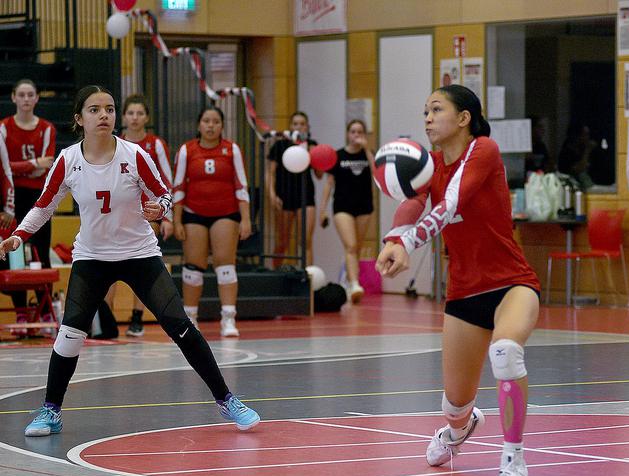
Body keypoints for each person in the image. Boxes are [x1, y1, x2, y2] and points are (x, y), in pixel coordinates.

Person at [0, 85, 259, 436]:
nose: (104, 115)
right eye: (94, 110)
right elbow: (44, 206)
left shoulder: (134, 155)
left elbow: (164, 194)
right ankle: (51, 410)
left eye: (109, 108)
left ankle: (227, 400)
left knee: (181, 326)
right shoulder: (68, 161)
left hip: (139, 254)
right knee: (70, 334)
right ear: (79, 119)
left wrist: (160, 208)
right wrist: (19, 235)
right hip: (92, 257)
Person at [376, 85, 540, 476]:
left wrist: (409, 245)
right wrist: (394, 237)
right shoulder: (428, 165)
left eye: (437, 109)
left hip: (511, 283)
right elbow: (413, 203)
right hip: (465, 292)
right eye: (424, 111)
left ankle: (514, 466)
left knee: (505, 354)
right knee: (455, 403)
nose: (427, 118)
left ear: (464, 117)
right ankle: (460, 428)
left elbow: (448, 205)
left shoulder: (484, 150)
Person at [173, 107, 252, 337]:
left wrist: (245, 219)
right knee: (193, 267)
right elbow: (179, 186)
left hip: (225, 213)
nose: (210, 125)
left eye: (215, 121)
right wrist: (176, 220)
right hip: (193, 213)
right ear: (199, 125)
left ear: (222, 125)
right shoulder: (187, 150)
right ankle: (190, 319)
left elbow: (241, 185)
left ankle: (228, 318)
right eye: (206, 121)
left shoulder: (231, 149)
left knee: (225, 264)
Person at [108, 93, 174, 338]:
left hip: (149, 213)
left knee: (141, 263)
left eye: (139, 113)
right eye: (130, 113)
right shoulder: (115, 143)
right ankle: (107, 318)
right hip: (118, 213)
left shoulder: (155, 144)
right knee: (109, 263)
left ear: (146, 117)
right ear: (123, 116)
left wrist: (168, 216)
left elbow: (167, 181)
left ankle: (137, 316)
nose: (135, 118)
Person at [1, 79, 57, 332]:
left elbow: (45, 168)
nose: (25, 99)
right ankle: (22, 314)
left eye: (30, 94)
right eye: (21, 94)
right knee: (15, 255)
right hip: (12, 198)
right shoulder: (3, 128)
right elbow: (4, 168)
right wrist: (33, 164)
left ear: (36, 99)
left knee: (41, 252)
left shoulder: (46, 128)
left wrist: (24, 167)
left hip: (39, 199)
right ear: (13, 97)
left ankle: (45, 314)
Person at [318, 119, 375, 304]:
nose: (356, 135)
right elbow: (329, 183)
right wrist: (323, 210)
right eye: (353, 131)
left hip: (364, 206)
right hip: (342, 206)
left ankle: (350, 280)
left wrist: (367, 149)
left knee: (356, 248)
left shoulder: (369, 155)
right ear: (347, 134)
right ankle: (355, 283)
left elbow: (377, 174)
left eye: (360, 132)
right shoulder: (338, 155)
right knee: (350, 246)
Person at [267, 112, 319, 268]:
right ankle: (275, 275)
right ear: (290, 127)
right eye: (295, 124)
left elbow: (319, 174)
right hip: (284, 195)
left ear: (307, 127)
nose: (299, 127)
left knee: (306, 241)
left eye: (302, 124)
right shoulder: (280, 145)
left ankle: (308, 279)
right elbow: (270, 173)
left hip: (306, 196)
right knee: (282, 240)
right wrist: (271, 194)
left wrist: (314, 154)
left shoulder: (312, 145)